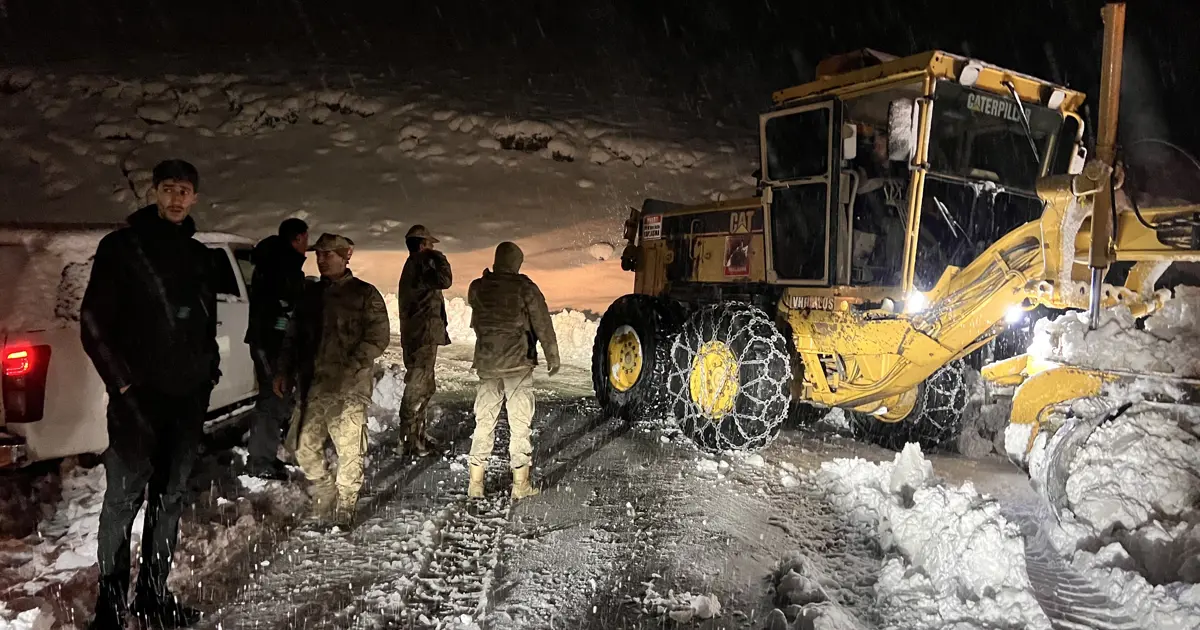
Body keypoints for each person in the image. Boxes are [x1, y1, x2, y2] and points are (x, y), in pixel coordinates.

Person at [80, 159, 219, 629]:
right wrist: (121, 384)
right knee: (123, 499)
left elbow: (205, 324)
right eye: (168, 189)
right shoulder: (121, 248)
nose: (177, 198)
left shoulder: (201, 256)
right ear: (153, 192)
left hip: (185, 402)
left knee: (170, 499)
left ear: (195, 197)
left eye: (185, 190)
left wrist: (208, 374)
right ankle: (111, 605)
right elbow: (93, 324)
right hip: (136, 402)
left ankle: (154, 597)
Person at [275, 233, 389, 528]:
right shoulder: (309, 295)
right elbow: (292, 337)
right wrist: (283, 370)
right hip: (314, 387)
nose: (322, 260)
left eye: (329, 254)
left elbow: (378, 337)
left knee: (350, 450)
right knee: (301, 445)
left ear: (346, 255)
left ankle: (346, 505)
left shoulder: (365, 294)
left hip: (349, 389)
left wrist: (353, 366)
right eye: (319, 255)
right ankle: (324, 488)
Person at [465, 242, 560, 500]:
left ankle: (476, 483)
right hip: (517, 364)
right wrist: (552, 354)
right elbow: (542, 322)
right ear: (516, 263)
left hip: (487, 364)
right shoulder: (524, 288)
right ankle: (521, 484)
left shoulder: (478, 286)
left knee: (484, 421)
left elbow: (476, 308)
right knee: (519, 424)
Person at [244, 218, 309, 480]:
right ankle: (260, 461)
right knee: (273, 398)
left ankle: (266, 455)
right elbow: (282, 306)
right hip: (273, 343)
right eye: (305, 239)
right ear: (298, 238)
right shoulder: (282, 265)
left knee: (275, 397)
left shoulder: (272, 260)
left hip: (268, 341)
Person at [396, 224, 452, 457]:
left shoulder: (413, 266)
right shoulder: (420, 264)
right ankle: (409, 440)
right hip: (422, 334)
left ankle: (416, 437)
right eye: (429, 244)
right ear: (421, 245)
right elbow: (445, 280)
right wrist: (438, 257)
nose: (432, 248)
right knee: (418, 386)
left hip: (419, 333)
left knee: (424, 386)